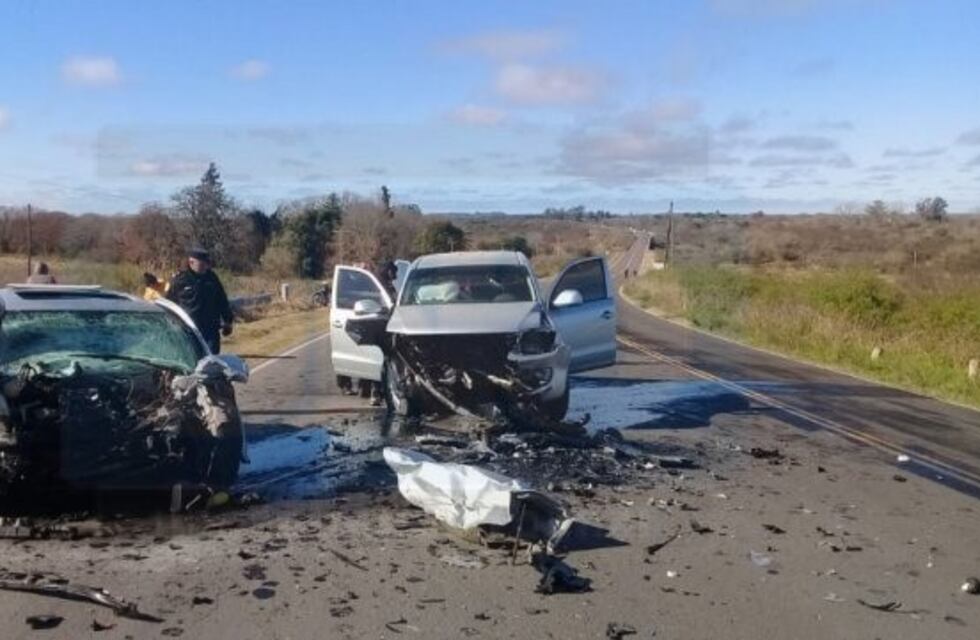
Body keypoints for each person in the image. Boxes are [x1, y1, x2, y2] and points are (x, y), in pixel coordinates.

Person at [167, 248, 233, 353]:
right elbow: (170, 304)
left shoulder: (212, 278)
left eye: (207, 263)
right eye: (202, 264)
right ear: (191, 262)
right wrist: (171, 325)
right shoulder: (180, 280)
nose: (205, 267)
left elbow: (222, 300)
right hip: (188, 330)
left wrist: (228, 321)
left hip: (210, 330)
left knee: (211, 361)